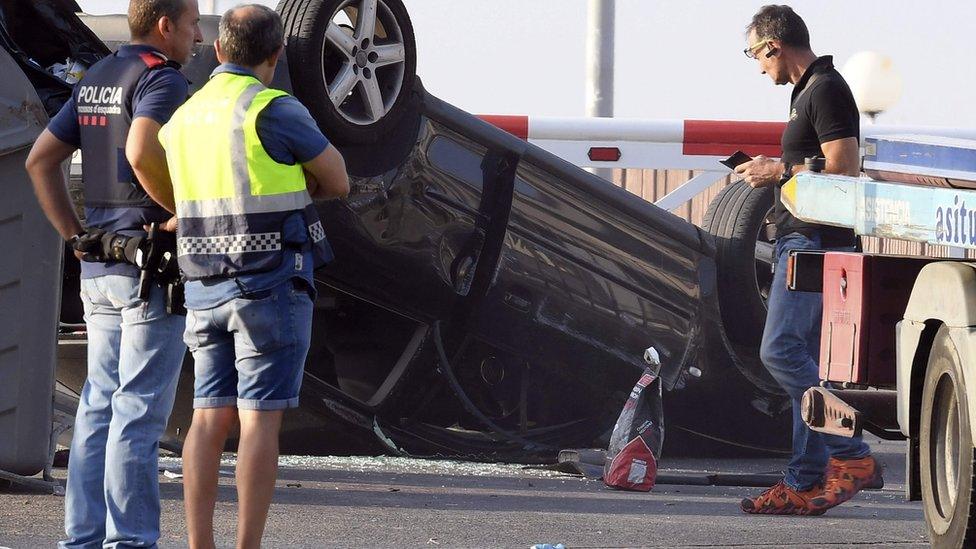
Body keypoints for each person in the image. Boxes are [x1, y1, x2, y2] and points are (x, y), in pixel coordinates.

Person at [155, 4, 350, 547]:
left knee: (207, 418)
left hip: (202, 285)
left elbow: (159, 168)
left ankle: (199, 544)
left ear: (217, 50)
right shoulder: (272, 107)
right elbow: (338, 180)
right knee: (259, 421)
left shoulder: (185, 117)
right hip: (267, 284)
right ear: (277, 54)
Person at [24, 1, 202, 546]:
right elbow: (142, 147)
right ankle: (130, 541)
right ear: (165, 25)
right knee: (139, 414)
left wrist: (74, 236)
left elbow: (40, 160)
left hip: (100, 265)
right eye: (193, 23)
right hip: (150, 269)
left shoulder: (97, 76)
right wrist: (184, 211)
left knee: (99, 408)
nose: (197, 35)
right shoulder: (161, 81)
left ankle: (82, 539)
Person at [734, 4, 882, 515]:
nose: (756, 66)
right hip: (808, 241)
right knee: (807, 366)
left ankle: (851, 454)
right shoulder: (808, 92)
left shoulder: (826, 88)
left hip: (814, 243)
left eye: (754, 54)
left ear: (774, 45)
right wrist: (779, 170)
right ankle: (803, 478)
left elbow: (843, 166)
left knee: (779, 353)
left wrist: (778, 170)